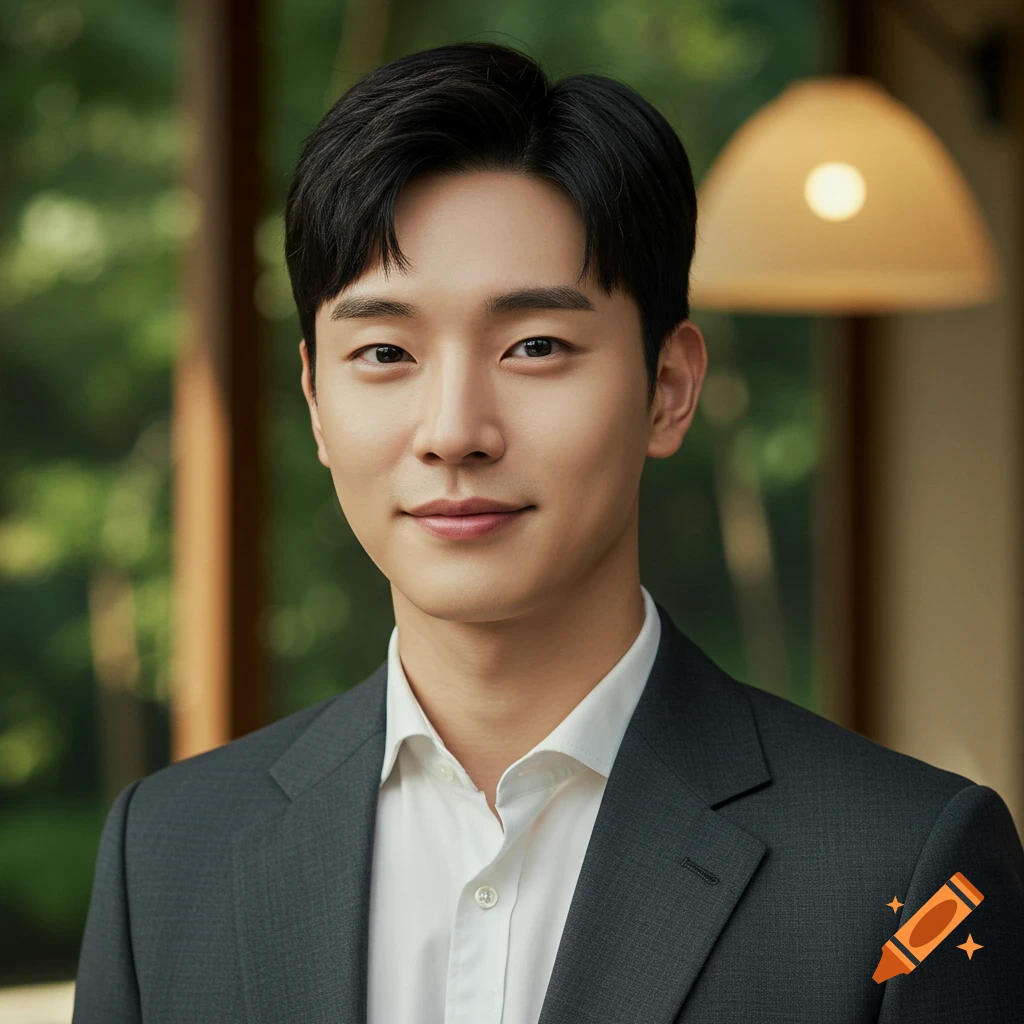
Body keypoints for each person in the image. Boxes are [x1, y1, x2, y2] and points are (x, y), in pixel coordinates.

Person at [72, 41, 1024, 1024]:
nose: (452, 431)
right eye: (386, 350)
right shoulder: (165, 854)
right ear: (316, 398)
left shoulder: (908, 870)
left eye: (534, 346)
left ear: (668, 387)